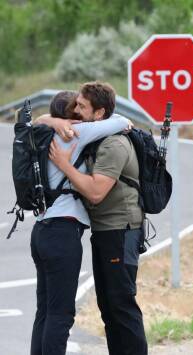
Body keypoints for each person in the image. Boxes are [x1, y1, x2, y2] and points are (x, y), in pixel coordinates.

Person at [30, 86, 132, 355]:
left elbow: (34, 120)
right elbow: (122, 121)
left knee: (45, 311)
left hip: (41, 230)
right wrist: (67, 122)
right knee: (61, 314)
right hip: (62, 231)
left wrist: (52, 120)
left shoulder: (42, 133)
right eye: (76, 107)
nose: (79, 111)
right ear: (71, 116)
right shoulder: (75, 131)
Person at [49, 81, 148, 355]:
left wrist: (64, 165)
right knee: (108, 306)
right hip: (106, 232)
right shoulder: (98, 136)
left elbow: (95, 192)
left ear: (100, 113)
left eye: (82, 106)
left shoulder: (114, 144)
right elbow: (46, 120)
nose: (75, 110)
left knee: (121, 304)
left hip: (121, 230)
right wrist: (53, 121)